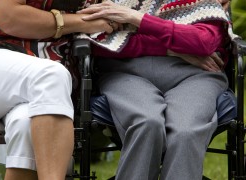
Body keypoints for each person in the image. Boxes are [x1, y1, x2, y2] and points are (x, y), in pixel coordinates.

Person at [77, 0, 231, 179]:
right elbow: (99, 41)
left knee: (185, 132)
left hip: (197, 75)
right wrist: (172, 49)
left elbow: (203, 42)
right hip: (126, 73)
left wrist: (136, 18)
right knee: (146, 122)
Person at [0, 0, 118, 179]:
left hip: (48, 84)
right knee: (51, 76)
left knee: (26, 124)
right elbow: (10, 17)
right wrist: (80, 22)